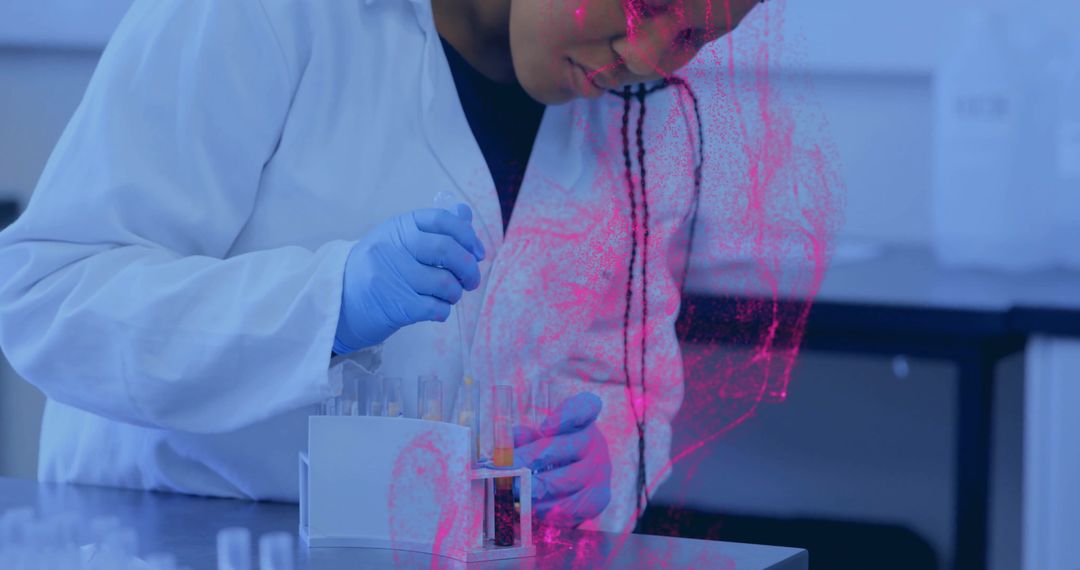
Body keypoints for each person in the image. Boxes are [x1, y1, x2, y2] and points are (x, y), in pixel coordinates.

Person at [0, 0, 763, 533]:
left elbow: (631, 388)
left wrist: (604, 470)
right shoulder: (269, 11)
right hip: (175, 536)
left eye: (693, 33)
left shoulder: (646, 120)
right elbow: (47, 295)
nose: (647, 55)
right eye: (645, 4)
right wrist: (327, 304)